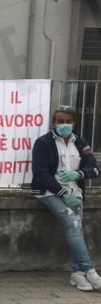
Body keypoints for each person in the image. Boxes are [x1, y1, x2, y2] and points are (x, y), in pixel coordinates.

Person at [31, 107, 100, 291]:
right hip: (49, 192)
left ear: (74, 123)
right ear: (53, 123)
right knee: (72, 222)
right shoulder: (43, 143)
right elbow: (40, 175)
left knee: (75, 225)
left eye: (68, 121)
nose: (64, 125)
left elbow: (94, 168)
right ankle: (90, 270)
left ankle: (78, 274)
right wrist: (63, 194)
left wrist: (77, 175)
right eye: (59, 121)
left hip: (75, 192)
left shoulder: (81, 143)